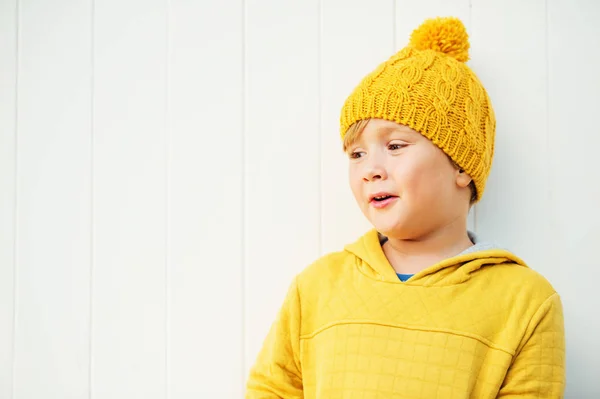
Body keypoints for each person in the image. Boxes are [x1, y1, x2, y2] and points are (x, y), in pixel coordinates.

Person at [245, 16, 566, 398]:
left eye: (395, 146)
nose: (370, 170)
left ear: (461, 164)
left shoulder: (524, 300)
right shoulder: (316, 287)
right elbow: (271, 389)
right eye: (357, 154)